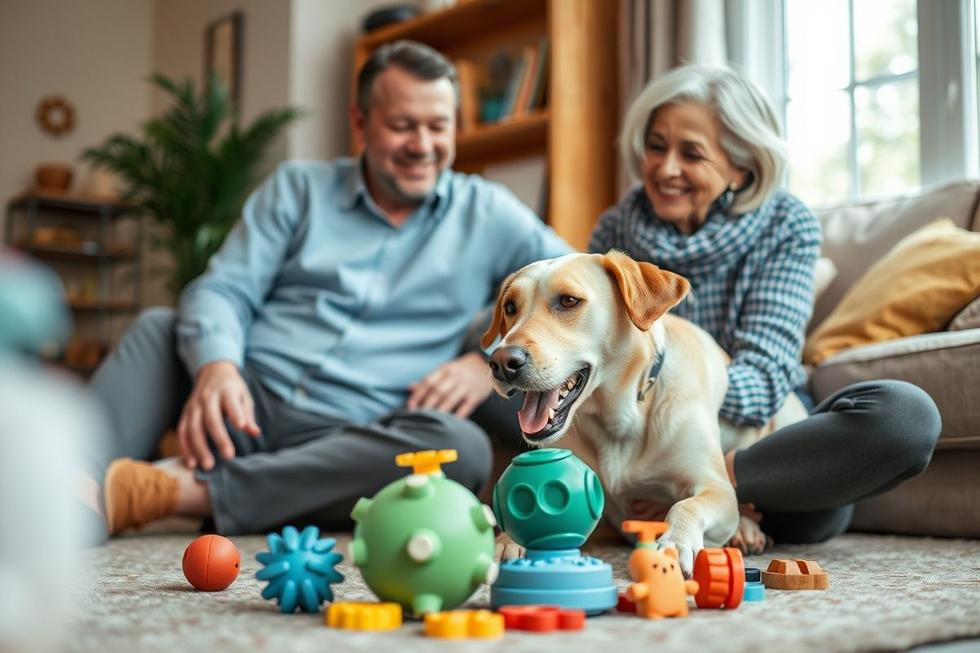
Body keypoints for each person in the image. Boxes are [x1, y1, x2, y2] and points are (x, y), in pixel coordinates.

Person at [77, 40, 571, 541]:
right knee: (157, 329)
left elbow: (571, 284)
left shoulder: (489, 213)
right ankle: (67, 491)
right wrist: (217, 366)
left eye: (438, 126)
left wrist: (482, 362)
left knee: (459, 449)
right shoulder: (298, 189)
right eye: (403, 125)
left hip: (351, 435)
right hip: (243, 397)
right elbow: (222, 288)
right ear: (360, 124)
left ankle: (174, 492)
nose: (423, 144)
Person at [589, 63, 941, 546]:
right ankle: (698, 501)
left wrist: (707, 464)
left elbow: (764, 377)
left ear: (743, 165)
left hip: (754, 430)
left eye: (691, 154)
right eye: (656, 146)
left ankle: (718, 488)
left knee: (905, 418)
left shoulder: (786, 224)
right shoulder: (613, 234)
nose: (665, 168)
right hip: (644, 441)